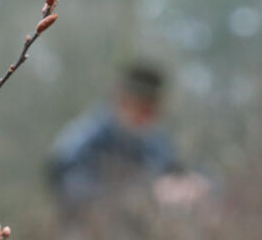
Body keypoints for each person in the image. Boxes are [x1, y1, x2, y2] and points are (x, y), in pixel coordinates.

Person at [47, 62, 206, 208]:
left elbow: (185, 170)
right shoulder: (87, 138)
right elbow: (67, 184)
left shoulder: (155, 143)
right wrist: (145, 192)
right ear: (122, 101)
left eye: (152, 111)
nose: (146, 118)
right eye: (142, 109)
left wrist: (190, 184)